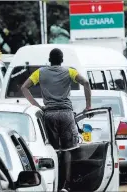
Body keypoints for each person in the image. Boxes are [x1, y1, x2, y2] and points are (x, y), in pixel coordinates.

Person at [21, 48, 91, 192]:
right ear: (62, 59)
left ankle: (54, 184)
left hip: (49, 114)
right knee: (67, 150)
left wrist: (37, 106)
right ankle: (66, 185)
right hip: (66, 114)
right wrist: (88, 105)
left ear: (49, 59)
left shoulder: (40, 72)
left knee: (52, 150)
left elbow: (24, 87)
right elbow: (86, 83)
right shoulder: (69, 71)